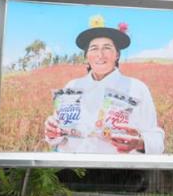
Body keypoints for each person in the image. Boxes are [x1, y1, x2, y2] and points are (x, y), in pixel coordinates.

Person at [44, 16, 164, 154]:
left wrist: (140, 143)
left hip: (120, 171)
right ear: (86, 56)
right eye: (94, 48)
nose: (100, 55)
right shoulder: (72, 87)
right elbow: (58, 136)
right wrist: (52, 132)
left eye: (107, 48)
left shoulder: (137, 88)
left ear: (117, 55)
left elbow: (156, 139)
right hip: (72, 168)